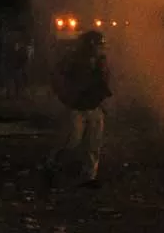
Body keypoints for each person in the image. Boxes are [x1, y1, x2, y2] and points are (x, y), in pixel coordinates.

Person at [43, 30, 112, 190]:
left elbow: (104, 84)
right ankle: (52, 165)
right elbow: (58, 78)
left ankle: (89, 177)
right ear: (90, 45)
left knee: (93, 144)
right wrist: (67, 96)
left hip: (94, 107)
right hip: (77, 108)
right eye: (99, 45)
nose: (102, 48)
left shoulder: (101, 61)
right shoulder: (73, 60)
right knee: (71, 142)